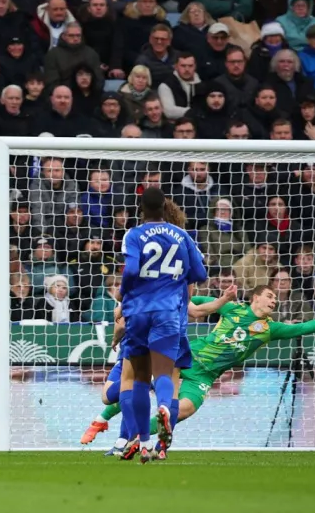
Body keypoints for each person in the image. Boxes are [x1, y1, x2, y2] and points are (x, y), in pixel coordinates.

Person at [86, 286, 315, 454]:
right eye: (269, 296)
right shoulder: (231, 308)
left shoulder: (270, 330)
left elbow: (302, 327)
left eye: (275, 299)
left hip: (204, 376)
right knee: (136, 383)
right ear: (255, 298)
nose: (274, 301)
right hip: (186, 356)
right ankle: (102, 418)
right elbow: (196, 302)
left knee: (181, 410)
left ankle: (135, 440)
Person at [113, 187, 207, 462]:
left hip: (139, 311)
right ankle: (164, 407)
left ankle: (142, 441)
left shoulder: (134, 234)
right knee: (164, 373)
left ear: (141, 208)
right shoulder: (182, 235)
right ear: (165, 206)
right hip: (168, 313)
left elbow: (130, 270)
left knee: (140, 377)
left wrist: (122, 293)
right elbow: (199, 272)